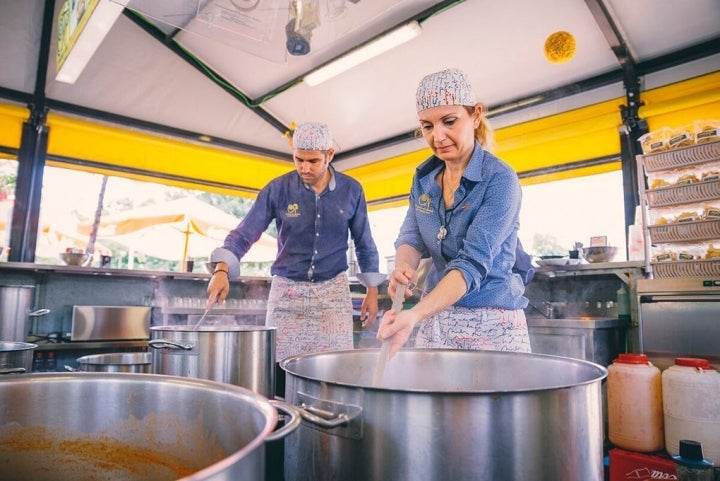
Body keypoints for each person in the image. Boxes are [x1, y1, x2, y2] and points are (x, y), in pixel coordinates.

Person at [376, 68, 531, 358]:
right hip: (436, 319)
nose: (438, 136)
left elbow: (471, 263)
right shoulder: (423, 178)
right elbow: (411, 236)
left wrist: (414, 315)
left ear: (475, 116)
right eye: (427, 126)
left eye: (449, 122)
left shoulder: (499, 179)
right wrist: (403, 270)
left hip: (493, 324)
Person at [206, 121, 380, 369]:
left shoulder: (352, 190)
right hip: (287, 294)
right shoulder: (277, 189)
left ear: (329, 155)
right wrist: (222, 269)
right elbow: (246, 233)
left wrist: (371, 290)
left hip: (332, 294)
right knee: (279, 367)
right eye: (298, 160)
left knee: (334, 368)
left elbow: (364, 242)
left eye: (313, 161)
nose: (304, 168)